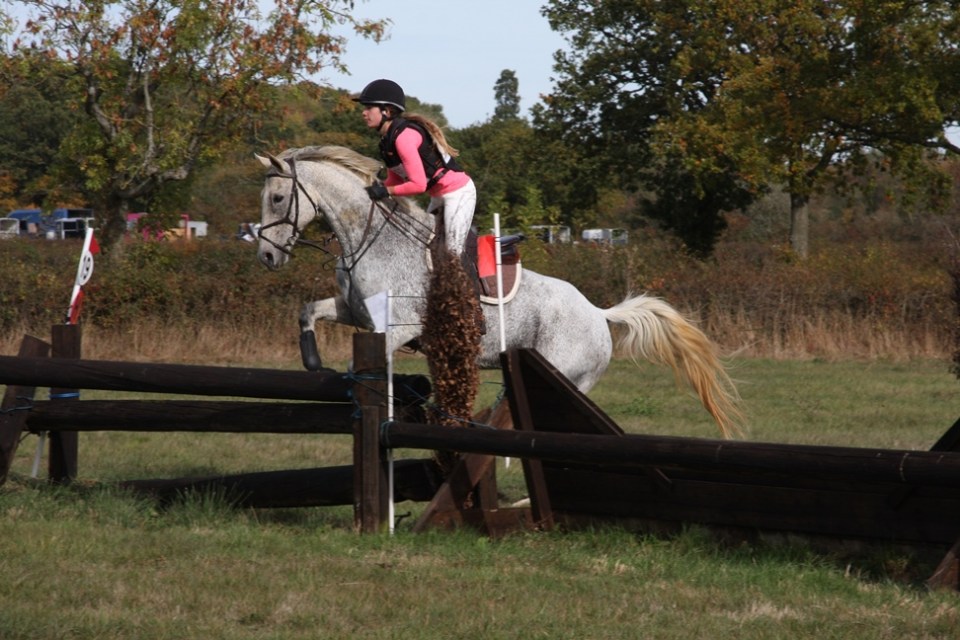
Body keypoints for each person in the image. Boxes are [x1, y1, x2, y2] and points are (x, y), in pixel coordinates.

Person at [353, 79, 477, 259]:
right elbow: (395, 181)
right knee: (424, 248)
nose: (364, 113)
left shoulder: (404, 138)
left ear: (387, 111)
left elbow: (418, 185)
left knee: (452, 253)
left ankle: (471, 277)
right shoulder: (387, 142)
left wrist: (386, 191)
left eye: (369, 108)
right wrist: (372, 189)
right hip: (438, 196)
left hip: (459, 193)